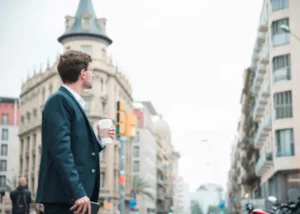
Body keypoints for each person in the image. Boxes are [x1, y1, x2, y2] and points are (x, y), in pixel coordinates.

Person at [35, 50, 115, 214]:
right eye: (92, 71)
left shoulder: (71, 102)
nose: (93, 74)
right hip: (67, 200)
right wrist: (78, 193)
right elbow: (61, 150)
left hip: (75, 199)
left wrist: (98, 140)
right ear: (83, 74)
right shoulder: (59, 101)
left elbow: (76, 148)